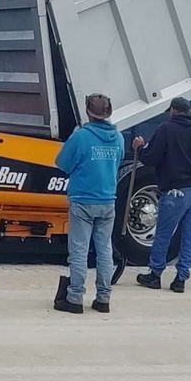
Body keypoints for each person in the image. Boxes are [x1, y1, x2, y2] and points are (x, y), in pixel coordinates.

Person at [133, 96, 191, 294]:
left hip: (175, 191)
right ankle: (181, 279)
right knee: (190, 236)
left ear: (173, 111)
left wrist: (139, 148)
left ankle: (155, 274)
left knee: (164, 233)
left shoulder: (166, 129)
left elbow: (151, 158)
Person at [54, 92, 124, 314]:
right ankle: (103, 299)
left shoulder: (81, 136)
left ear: (88, 111)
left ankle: (74, 298)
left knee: (79, 250)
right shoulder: (119, 137)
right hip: (107, 200)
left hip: (83, 200)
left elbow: (61, 162)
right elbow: (118, 161)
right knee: (104, 250)